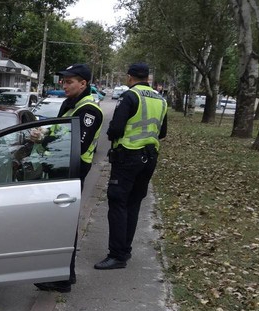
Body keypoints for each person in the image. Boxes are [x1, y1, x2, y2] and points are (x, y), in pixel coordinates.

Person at [35, 63, 103, 293]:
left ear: (83, 84)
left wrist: (44, 140)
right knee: (59, 222)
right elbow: (58, 131)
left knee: (65, 223)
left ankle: (63, 278)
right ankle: (63, 273)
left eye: (69, 81)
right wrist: (42, 135)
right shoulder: (69, 104)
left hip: (73, 170)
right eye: (63, 81)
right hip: (59, 167)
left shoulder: (89, 110)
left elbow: (76, 144)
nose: (64, 85)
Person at [95, 63, 167, 270]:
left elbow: (116, 128)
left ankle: (117, 255)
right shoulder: (160, 99)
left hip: (127, 157)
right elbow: (162, 133)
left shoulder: (130, 96)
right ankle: (125, 251)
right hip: (150, 157)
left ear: (129, 77)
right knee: (133, 204)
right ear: (148, 78)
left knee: (118, 203)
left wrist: (114, 136)